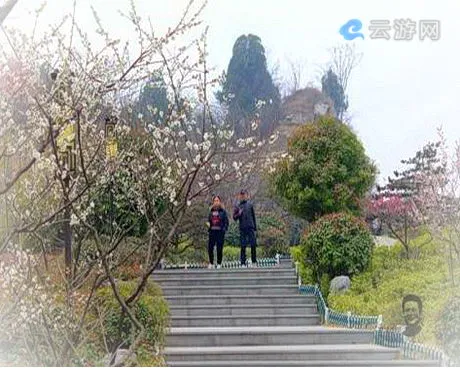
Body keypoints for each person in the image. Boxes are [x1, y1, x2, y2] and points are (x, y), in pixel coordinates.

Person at [233, 189, 257, 267]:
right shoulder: (238, 206)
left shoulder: (250, 205)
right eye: (241, 195)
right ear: (240, 196)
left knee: (253, 244)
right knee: (243, 246)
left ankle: (254, 261)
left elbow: (253, 217)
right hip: (242, 228)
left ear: (246, 195)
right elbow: (234, 217)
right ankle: (243, 263)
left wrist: (255, 228)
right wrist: (238, 214)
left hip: (250, 227)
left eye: (244, 195)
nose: (243, 196)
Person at [206, 195, 229, 269]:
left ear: (220, 202)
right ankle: (211, 262)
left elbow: (226, 222)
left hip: (220, 231)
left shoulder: (223, 211)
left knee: (219, 248)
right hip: (212, 231)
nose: (216, 202)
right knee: (210, 247)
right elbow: (208, 220)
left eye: (217, 200)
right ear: (213, 202)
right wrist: (208, 224)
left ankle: (219, 263)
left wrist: (224, 229)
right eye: (215, 201)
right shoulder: (211, 211)